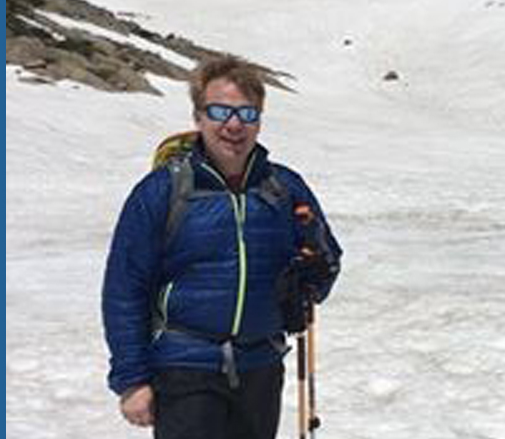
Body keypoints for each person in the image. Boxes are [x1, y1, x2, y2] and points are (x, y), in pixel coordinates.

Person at [102, 55, 341, 439]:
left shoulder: (283, 188)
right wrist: (132, 380)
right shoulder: (163, 190)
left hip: (260, 366)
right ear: (198, 118)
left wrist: (311, 275)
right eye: (220, 111)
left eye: (247, 114)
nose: (234, 124)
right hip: (185, 367)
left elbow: (325, 262)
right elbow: (125, 287)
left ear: (259, 121)